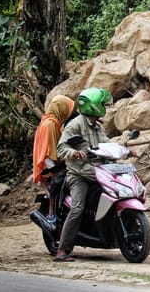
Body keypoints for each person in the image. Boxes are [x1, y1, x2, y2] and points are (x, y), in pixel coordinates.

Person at [53, 87, 113, 262]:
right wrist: (74, 153)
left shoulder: (96, 126)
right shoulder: (75, 124)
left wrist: (124, 149)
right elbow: (61, 148)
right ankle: (62, 250)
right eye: (102, 104)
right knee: (78, 207)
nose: (104, 106)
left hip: (98, 172)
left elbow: (106, 143)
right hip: (79, 175)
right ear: (94, 106)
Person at [32, 95, 76, 223]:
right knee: (64, 178)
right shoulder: (50, 124)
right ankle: (52, 212)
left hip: (47, 161)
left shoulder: (50, 122)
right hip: (49, 163)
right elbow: (52, 151)